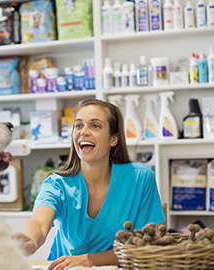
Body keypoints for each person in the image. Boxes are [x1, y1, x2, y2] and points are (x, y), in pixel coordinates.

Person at [14, 98, 165, 270]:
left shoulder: (140, 178)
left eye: (95, 126)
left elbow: (149, 245)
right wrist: (31, 240)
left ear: (113, 139)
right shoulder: (57, 184)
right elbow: (39, 223)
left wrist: (90, 260)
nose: (83, 132)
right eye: (78, 126)